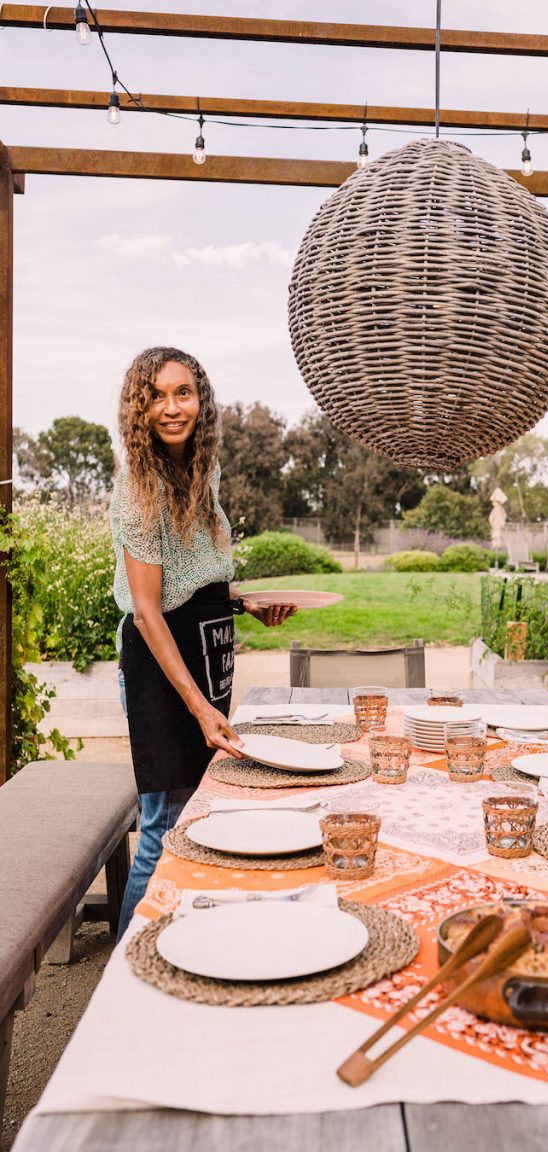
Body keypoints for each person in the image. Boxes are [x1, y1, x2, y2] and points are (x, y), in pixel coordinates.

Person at [110, 346, 296, 939]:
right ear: (139, 408)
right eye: (157, 396)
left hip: (203, 650)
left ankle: (180, 940)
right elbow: (147, 612)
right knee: (165, 821)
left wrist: (244, 604)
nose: (171, 407)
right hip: (162, 664)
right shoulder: (140, 490)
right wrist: (200, 708)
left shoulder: (200, 471)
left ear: (201, 401)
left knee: (196, 810)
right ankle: (127, 963)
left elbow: (194, 576)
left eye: (182, 393)